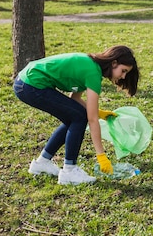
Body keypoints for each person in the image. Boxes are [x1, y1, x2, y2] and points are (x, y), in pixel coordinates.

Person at [14, 46, 140, 185]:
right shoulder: (93, 73)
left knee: (74, 116)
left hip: (25, 82)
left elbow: (75, 100)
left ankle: (42, 162)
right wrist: (101, 156)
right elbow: (91, 120)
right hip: (31, 84)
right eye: (123, 71)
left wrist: (99, 113)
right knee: (79, 117)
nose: (123, 76)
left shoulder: (90, 65)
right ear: (114, 63)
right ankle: (69, 170)